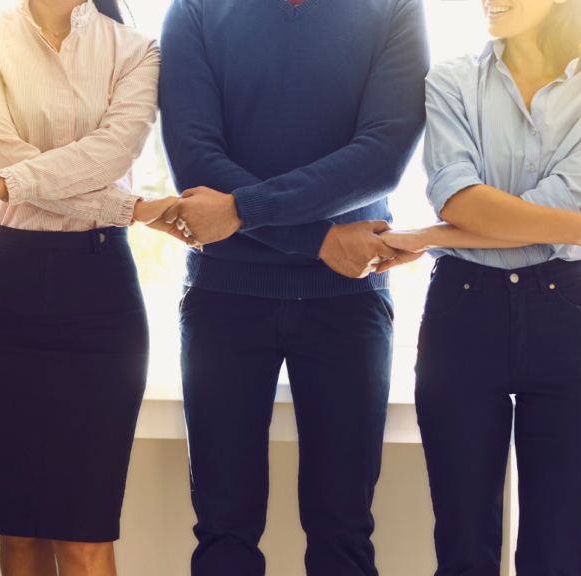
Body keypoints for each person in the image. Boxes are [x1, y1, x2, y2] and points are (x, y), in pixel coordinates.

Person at [379, 0, 581, 573]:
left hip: (566, 314)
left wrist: (433, 235)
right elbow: (458, 195)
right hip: (462, 310)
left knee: (556, 548)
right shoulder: (451, 79)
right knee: (462, 543)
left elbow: (563, 199)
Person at [157, 0, 429, 573]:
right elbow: (194, 159)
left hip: (349, 301)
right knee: (223, 531)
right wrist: (319, 240)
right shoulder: (196, 9)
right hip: (224, 300)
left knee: (344, 532)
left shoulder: (396, 7)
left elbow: (383, 155)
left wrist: (249, 211)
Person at [0, 1, 179, 574]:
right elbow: (3, 154)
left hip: (97, 292)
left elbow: (109, 154)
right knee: (18, 529)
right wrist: (133, 208)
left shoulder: (136, 48)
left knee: (84, 533)